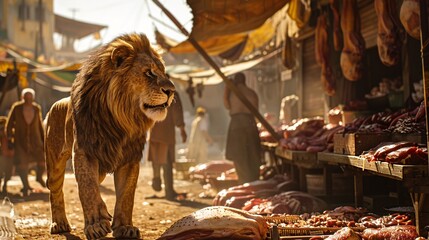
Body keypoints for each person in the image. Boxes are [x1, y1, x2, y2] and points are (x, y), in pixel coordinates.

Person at [6, 88, 45, 196]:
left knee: (42, 160)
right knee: (22, 164)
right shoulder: (17, 108)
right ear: (23, 97)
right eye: (26, 97)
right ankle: (26, 185)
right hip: (20, 140)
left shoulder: (36, 108)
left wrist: (43, 139)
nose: (28, 99)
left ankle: (39, 177)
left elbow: (39, 124)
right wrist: (10, 138)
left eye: (30, 97)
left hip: (35, 140)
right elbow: (9, 124)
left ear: (33, 97)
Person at [224, 72, 261, 184]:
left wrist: (227, 89)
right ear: (245, 81)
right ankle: (254, 181)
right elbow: (256, 112)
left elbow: (226, 105)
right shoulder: (252, 93)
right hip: (250, 123)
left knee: (239, 157)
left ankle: (244, 182)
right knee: (253, 155)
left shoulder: (232, 93)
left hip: (236, 125)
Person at [148, 93, 187, 200]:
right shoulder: (172, 93)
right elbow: (177, 112)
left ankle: (156, 179)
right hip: (166, 132)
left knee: (156, 158)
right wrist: (182, 129)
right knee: (167, 162)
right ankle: (168, 190)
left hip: (154, 130)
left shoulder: (152, 91)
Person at [0, 116, 14, 194]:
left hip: (8, 155)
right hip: (2, 156)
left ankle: (4, 186)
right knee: (2, 172)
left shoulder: (11, 132)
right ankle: (3, 187)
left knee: (8, 173)